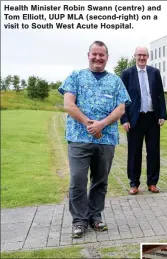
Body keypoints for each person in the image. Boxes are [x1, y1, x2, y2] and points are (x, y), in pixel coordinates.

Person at [58, 40, 131, 238]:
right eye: (94, 54)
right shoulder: (76, 76)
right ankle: (79, 221)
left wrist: (102, 124)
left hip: (106, 140)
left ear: (107, 57)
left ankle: (95, 216)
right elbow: (69, 105)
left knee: (100, 181)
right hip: (79, 138)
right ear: (88, 55)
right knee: (77, 180)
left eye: (102, 55)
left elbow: (121, 108)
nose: (98, 58)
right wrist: (90, 124)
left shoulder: (115, 81)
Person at [120, 46, 167, 195]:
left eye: (144, 55)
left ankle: (152, 183)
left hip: (152, 118)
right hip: (135, 119)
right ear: (134, 56)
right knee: (134, 152)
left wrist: (162, 115)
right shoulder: (127, 74)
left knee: (153, 151)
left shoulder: (154, 72)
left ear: (148, 56)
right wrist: (124, 119)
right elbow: (122, 98)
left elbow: (160, 95)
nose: (142, 58)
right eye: (139, 55)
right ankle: (134, 183)